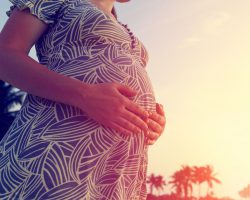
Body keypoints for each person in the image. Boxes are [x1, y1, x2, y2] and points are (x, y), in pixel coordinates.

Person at [0, 0, 166, 199]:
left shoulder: (123, 27)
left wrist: (148, 121)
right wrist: (85, 95)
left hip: (119, 168)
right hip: (61, 147)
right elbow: (5, 55)